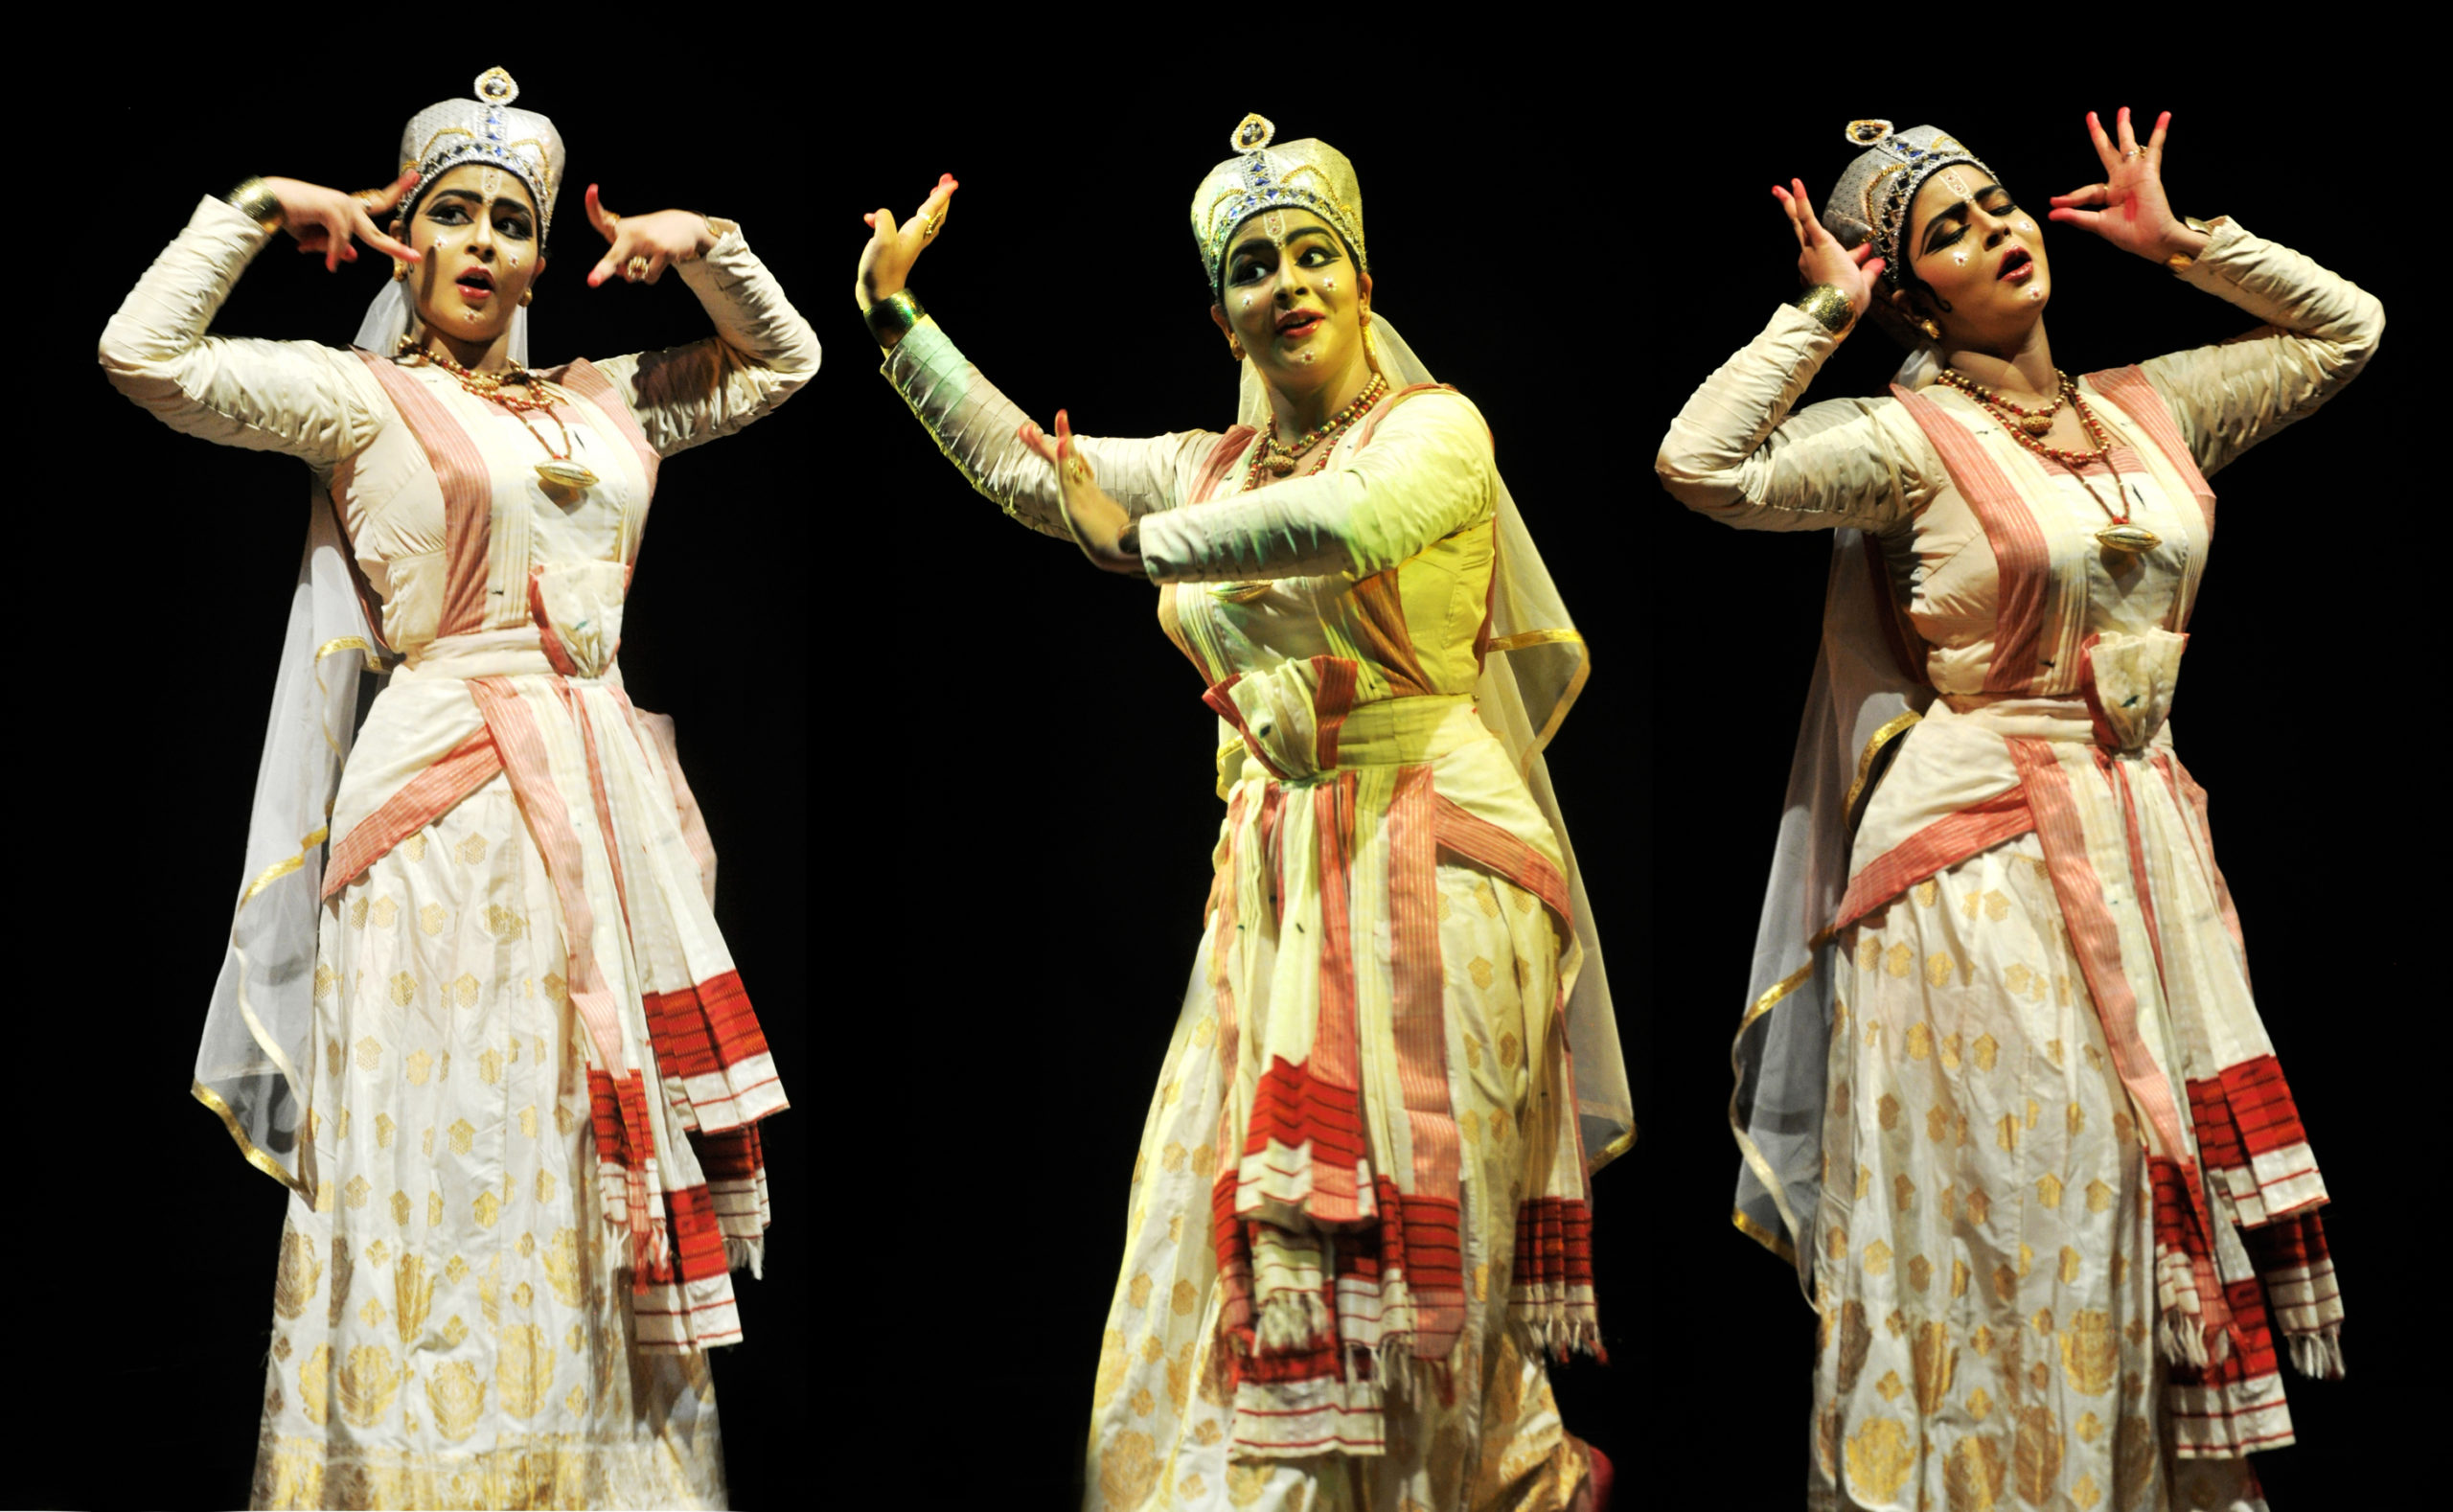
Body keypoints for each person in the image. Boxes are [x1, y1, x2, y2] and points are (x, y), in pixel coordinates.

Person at [856, 116, 1633, 1510]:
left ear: (1365, 282)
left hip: (1439, 860)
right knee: (1246, 1227)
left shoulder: (1438, 430)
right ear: (1220, 309)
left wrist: (1140, 541)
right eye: (1256, 266)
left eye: (1313, 255)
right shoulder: (1212, 465)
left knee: (1412, 1232)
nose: (1289, 284)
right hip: (1280, 880)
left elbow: (1348, 524)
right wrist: (900, 320)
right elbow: (1039, 471)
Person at [100, 67, 816, 1508]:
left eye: (511, 222)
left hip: (599, 828)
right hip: (437, 826)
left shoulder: (606, 399)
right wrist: (253, 212)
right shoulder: (358, 399)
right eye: (454, 216)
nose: (483, 244)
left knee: (572, 1166)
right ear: (408, 240)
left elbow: (781, 361)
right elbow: (143, 352)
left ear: (547, 256)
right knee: (442, 1166)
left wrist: (705, 245)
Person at [1657, 111, 2379, 1509]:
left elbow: (2347, 331)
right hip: (1974, 867)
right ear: (1911, 292)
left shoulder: (2154, 404)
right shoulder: (1905, 437)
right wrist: (1817, 315)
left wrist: (2188, 246)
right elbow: (1707, 463)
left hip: (2139, 846)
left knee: (2134, 1209)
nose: (1998, 229)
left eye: (1998, 204)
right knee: (2047, 1199)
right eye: (1950, 230)